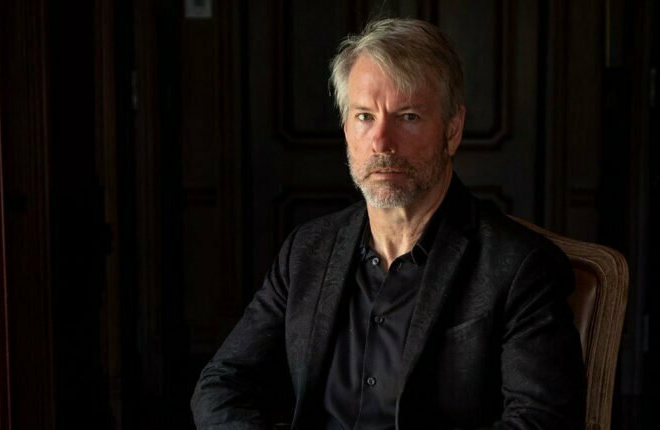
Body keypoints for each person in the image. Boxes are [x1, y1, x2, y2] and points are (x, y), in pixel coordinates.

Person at [192, 18, 585, 430]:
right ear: (346, 129)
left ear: (452, 131)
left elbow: (542, 421)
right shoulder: (306, 250)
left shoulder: (521, 267)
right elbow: (221, 384)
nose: (382, 142)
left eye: (408, 116)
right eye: (365, 116)